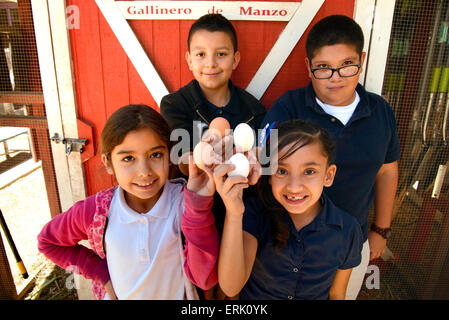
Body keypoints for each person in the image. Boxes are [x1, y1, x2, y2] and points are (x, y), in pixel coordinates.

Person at [259, 15, 400, 299]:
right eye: (323, 67)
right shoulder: (289, 107)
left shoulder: (381, 111)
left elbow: (386, 171)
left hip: (350, 244)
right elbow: (262, 164)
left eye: (347, 65)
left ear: (361, 60)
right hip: (285, 244)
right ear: (308, 67)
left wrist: (381, 229)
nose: (335, 78)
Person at [37, 104, 219, 300]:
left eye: (155, 155)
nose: (144, 171)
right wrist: (100, 272)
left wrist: (198, 207)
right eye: (129, 158)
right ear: (108, 163)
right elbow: (48, 242)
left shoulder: (184, 205)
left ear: (169, 156)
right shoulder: (96, 212)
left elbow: (205, 280)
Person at [216, 119, 363, 299]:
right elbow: (231, 288)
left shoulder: (347, 230)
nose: (294, 187)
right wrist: (233, 213)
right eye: (282, 171)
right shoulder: (254, 214)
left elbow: (337, 293)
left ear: (328, 175)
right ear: (269, 174)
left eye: (309, 171)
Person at [160, 13, 266, 178]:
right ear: (189, 60)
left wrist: (256, 158)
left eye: (221, 54)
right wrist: (202, 157)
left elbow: (262, 162)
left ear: (235, 60)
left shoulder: (254, 111)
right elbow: (182, 157)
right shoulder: (175, 105)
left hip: (242, 196)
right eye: (201, 54)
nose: (210, 63)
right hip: (194, 197)